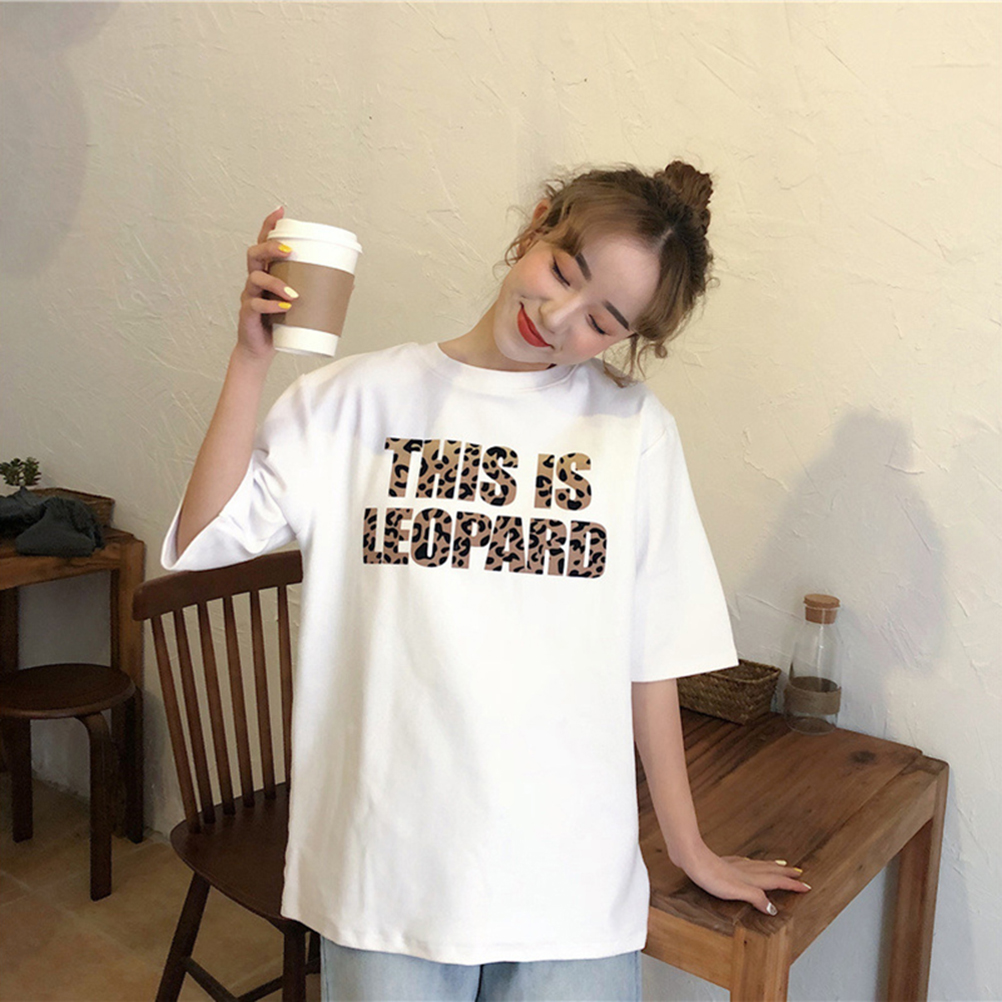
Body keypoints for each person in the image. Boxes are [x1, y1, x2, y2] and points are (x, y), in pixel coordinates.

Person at [162, 162, 810, 1002]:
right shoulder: (354, 400)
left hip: (568, 889)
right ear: (535, 226)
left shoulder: (632, 430)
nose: (557, 316)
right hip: (386, 880)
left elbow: (649, 654)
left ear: (627, 339)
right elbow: (203, 538)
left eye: (601, 321)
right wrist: (250, 359)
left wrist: (691, 850)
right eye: (562, 272)